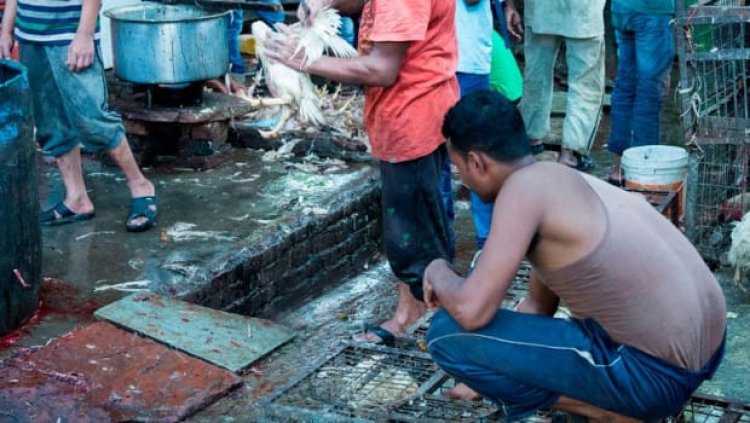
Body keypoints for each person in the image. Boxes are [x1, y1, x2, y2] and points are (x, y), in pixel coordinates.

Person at [423, 91, 726, 421]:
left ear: (477, 162)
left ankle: (614, 414)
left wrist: (437, 269)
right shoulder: (561, 180)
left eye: (459, 168)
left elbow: (471, 311)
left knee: (447, 332)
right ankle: (612, 401)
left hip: (656, 377)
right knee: (569, 326)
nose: (462, 180)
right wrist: (488, 370)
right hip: (706, 350)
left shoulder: (522, 191)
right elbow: (540, 305)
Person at [265, 0, 458, 345]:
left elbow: (383, 69)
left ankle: (443, 328)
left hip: (413, 116)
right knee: (414, 230)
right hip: (408, 114)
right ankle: (412, 313)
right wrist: (329, 3)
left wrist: (306, 60)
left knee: (417, 239)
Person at [0, 0, 157, 231]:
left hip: (69, 35)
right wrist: (6, 30)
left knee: (93, 121)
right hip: (30, 37)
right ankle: (76, 199)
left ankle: (141, 186)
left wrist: (84, 35)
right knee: (50, 123)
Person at [506, 0, 606, 171]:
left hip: (541, 10)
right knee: (585, 83)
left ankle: (531, 138)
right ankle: (571, 153)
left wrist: (510, 6)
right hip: (583, 12)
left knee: (536, 74)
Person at [606, 0, 675, 186]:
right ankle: (644, 167)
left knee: (625, 85)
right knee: (649, 91)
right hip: (652, 11)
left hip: (622, 9)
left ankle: (619, 166)